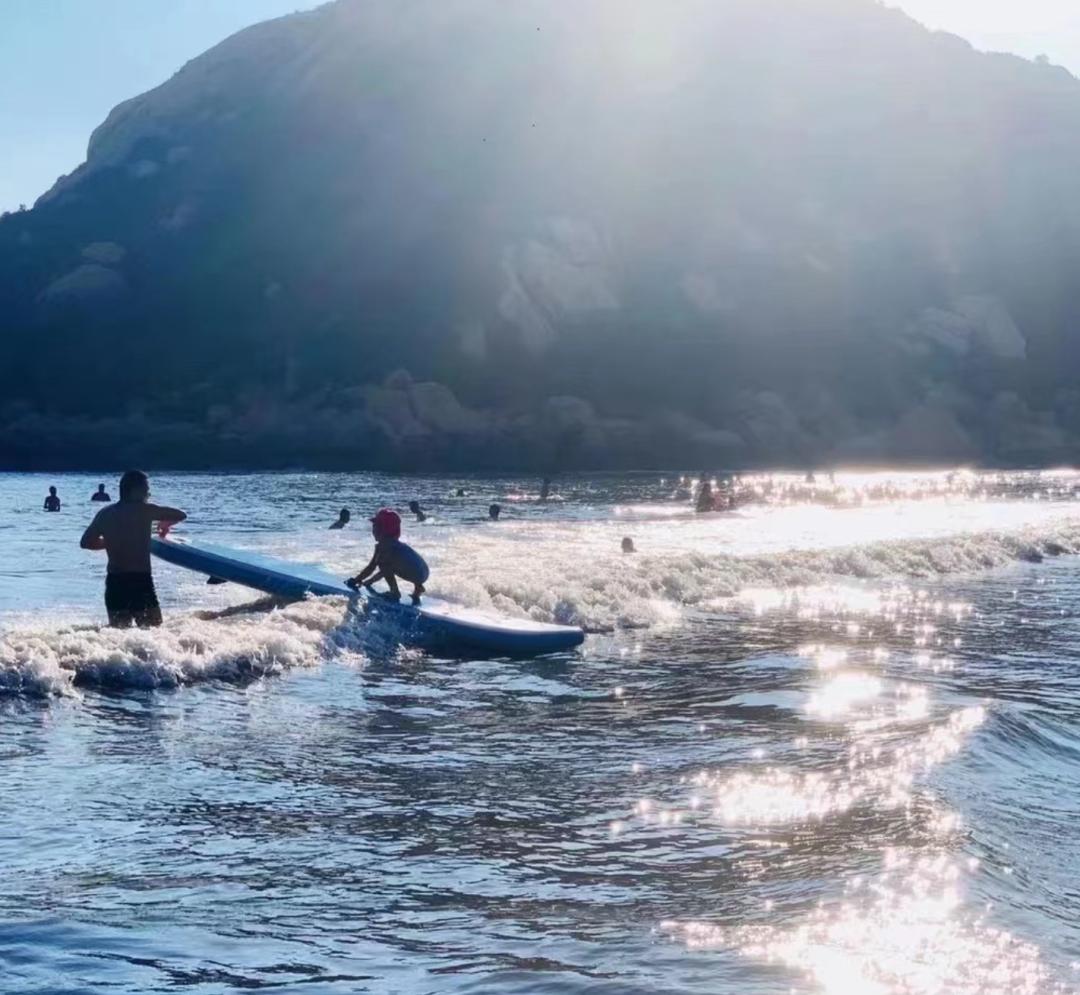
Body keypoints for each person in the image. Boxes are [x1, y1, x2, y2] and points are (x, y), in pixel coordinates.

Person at [79, 470, 187, 628]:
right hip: (140, 581)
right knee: (154, 632)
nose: (148, 494)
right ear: (135, 490)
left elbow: (86, 542)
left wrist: (111, 542)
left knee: (118, 634)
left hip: (115, 583)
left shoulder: (105, 513)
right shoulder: (146, 510)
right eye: (146, 489)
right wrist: (165, 523)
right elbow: (180, 514)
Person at [345, 508, 429, 604]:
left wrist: (356, 580)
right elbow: (386, 571)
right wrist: (369, 582)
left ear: (383, 529)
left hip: (414, 573)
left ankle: (395, 592)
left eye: (375, 527)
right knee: (388, 564)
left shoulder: (384, 546)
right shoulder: (395, 544)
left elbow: (372, 567)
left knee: (383, 563)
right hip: (423, 573)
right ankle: (418, 588)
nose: (373, 530)